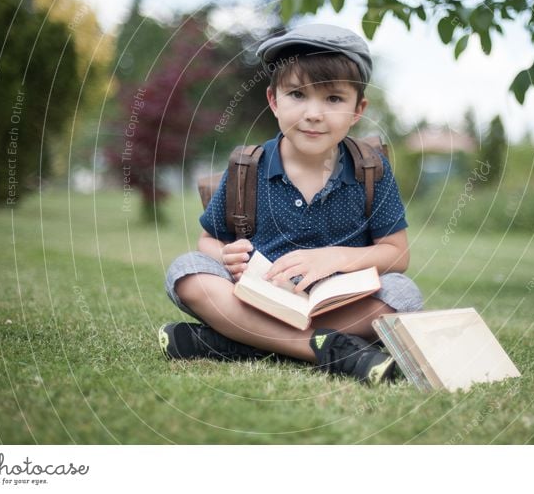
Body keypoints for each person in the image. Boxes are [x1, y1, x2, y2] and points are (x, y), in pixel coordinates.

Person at [159, 24, 423, 384]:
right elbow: (207, 240)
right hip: (257, 298)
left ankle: (239, 342)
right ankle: (331, 349)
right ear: (274, 100)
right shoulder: (246, 168)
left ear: (358, 109)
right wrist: (224, 255)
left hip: (337, 304)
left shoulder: (370, 168)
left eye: (333, 99)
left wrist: (337, 257)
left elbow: (397, 254)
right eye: (298, 95)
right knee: (187, 272)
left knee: (403, 296)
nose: (314, 113)